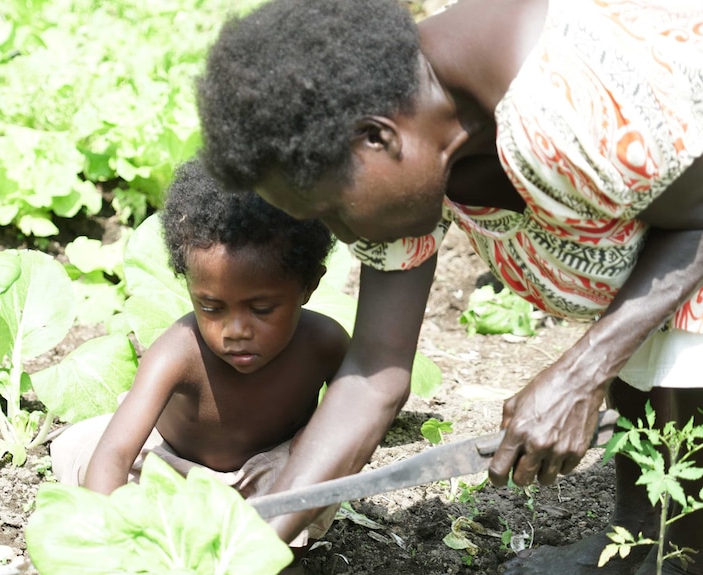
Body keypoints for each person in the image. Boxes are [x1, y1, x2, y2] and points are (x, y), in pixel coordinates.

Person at [195, 0, 703, 573]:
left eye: (333, 211)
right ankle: (643, 541)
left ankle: (678, 552)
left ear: (377, 138)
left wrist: (581, 374)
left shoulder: (560, 100)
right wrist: (253, 542)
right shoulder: (413, 129)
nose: (342, 234)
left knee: (673, 355)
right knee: (645, 344)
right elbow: (374, 373)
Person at [49, 159, 350, 568]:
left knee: (315, 472)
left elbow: (353, 421)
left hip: (269, 480)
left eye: (261, 309)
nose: (235, 330)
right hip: (172, 471)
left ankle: (282, 552)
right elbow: (116, 454)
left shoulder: (325, 343)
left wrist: (313, 458)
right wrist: (113, 539)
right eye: (211, 307)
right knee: (91, 466)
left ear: (309, 285)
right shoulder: (179, 351)